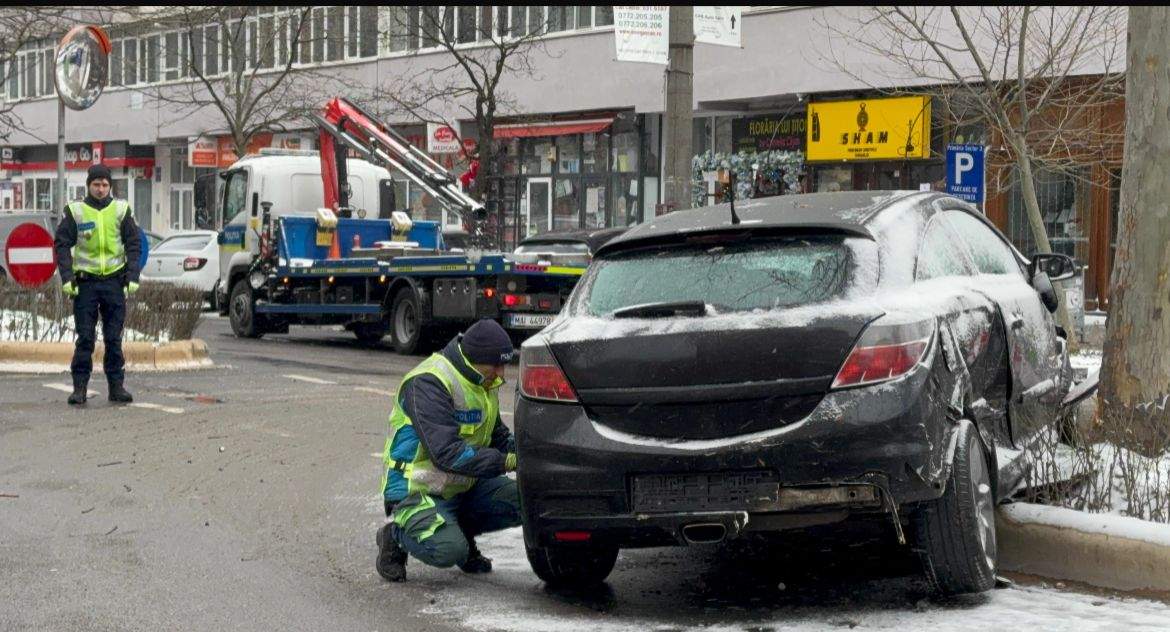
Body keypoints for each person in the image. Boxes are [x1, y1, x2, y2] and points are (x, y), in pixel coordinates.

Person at [375, 319, 520, 582]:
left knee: (529, 499)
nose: (501, 373)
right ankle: (396, 535)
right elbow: (447, 454)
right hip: (416, 490)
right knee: (447, 551)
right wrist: (508, 461)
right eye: (496, 365)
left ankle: (458, 530)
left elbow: (497, 435)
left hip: (460, 486)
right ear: (475, 359)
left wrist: (528, 453)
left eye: (504, 364)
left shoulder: (483, 381)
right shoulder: (429, 382)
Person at [53, 164, 142, 406]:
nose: (101, 189)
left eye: (104, 185)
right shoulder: (76, 211)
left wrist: (132, 276)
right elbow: (61, 244)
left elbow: (134, 244)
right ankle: (79, 388)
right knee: (85, 338)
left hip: (114, 282)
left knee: (114, 338)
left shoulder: (122, 210)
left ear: (110, 186)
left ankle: (117, 387)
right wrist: (67, 277)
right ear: (88, 186)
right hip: (86, 284)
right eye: (96, 184)